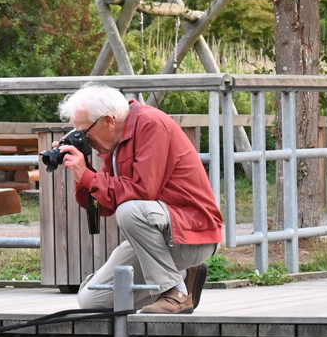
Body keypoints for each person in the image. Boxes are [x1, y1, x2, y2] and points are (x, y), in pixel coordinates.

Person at [57, 83, 222, 315]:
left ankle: (175, 292)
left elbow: (143, 191)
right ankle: (186, 276)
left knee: (130, 210)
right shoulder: (113, 143)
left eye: (84, 132)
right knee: (92, 299)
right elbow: (103, 206)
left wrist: (89, 177)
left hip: (192, 234)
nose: (83, 138)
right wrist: (83, 173)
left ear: (109, 121)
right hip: (158, 241)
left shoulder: (152, 125)